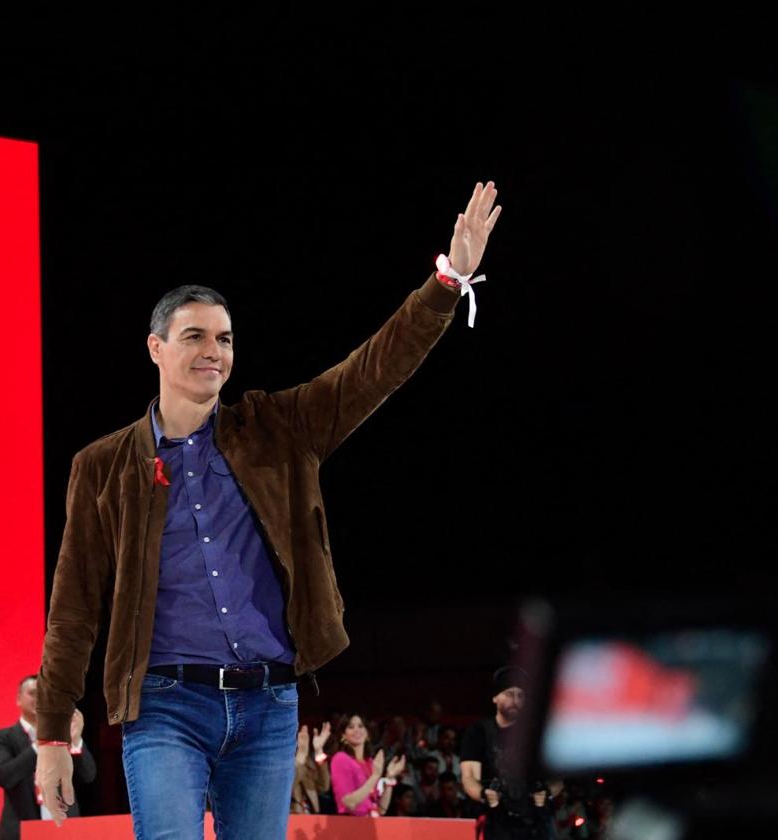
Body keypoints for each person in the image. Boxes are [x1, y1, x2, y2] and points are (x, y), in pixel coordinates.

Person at [36, 183, 503, 839]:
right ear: (156, 349)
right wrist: (54, 734)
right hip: (166, 705)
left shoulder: (279, 430)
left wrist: (447, 281)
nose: (213, 352)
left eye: (224, 339)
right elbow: (75, 606)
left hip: (270, 703)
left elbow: (372, 369)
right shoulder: (102, 466)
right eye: (194, 336)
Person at [0, 675, 96, 840]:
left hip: (65, 829)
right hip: (20, 830)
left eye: (44, 693)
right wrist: (40, 744)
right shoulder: (4, 737)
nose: (39, 698)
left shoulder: (64, 735)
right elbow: (4, 776)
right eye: (33, 693)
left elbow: (88, 775)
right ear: (18, 699)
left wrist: (75, 741)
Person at [461, 666, 549, 840]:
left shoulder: (535, 734)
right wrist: (483, 794)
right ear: (495, 697)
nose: (515, 700)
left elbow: (555, 777)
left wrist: (547, 792)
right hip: (495, 818)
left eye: (520, 695)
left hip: (532, 819)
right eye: (509, 694)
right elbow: (469, 776)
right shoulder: (479, 731)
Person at [330, 713, 406, 816]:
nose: (357, 730)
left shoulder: (370, 763)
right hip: (351, 825)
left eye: (361, 726)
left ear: (367, 733)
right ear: (343, 735)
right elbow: (348, 802)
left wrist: (389, 778)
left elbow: (381, 809)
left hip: (371, 825)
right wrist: (374, 777)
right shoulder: (341, 759)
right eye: (351, 727)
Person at [291, 722, 332, 814]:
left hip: (310, 821)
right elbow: (290, 783)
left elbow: (324, 786)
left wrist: (319, 751)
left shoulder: (307, 763)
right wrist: (301, 754)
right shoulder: (279, 765)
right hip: (291, 821)